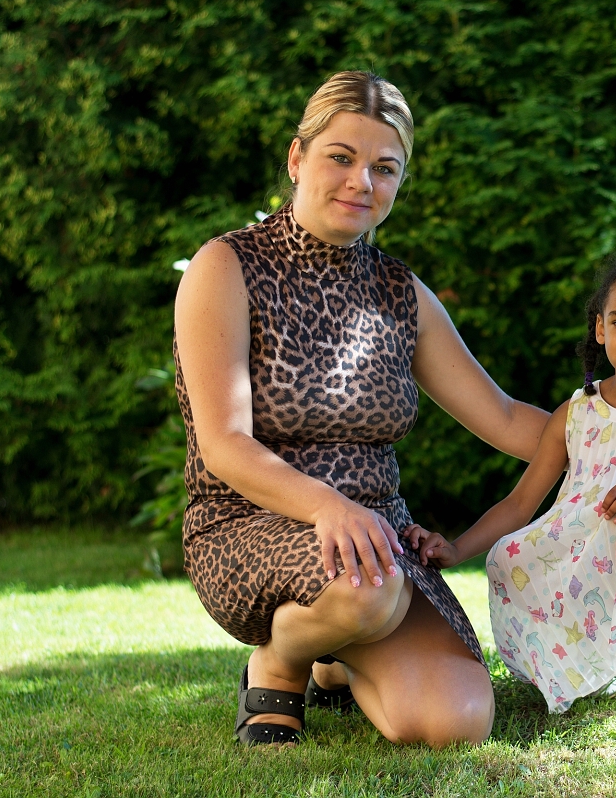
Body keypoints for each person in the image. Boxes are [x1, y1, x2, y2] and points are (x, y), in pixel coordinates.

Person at [173, 71, 549, 747]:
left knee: (456, 723)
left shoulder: (401, 292)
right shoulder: (226, 267)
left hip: (377, 542)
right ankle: (281, 662)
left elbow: (505, 418)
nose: (361, 182)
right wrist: (329, 507)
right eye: (341, 158)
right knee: (366, 587)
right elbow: (224, 444)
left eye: (384, 168)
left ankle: (334, 657)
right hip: (248, 523)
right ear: (298, 158)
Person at [405, 248, 616, 712]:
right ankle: (578, 665)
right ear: (600, 329)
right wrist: (456, 550)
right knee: (506, 556)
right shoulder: (576, 413)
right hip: (581, 549)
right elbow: (520, 505)